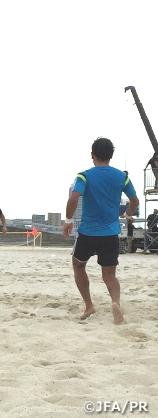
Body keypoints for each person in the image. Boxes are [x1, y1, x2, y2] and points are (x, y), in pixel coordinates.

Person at [63, 137, 139, 325]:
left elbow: (74, 199)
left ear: (92, 155)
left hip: (88, 232)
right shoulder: (122, 176)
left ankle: (89, 305)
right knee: (109, 275)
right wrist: (128, 215)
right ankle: (115, 303)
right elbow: (135, 201)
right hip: (110, 233)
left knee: (78, 265)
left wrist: (68, 220)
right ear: (111, 156)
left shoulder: (84, 176)